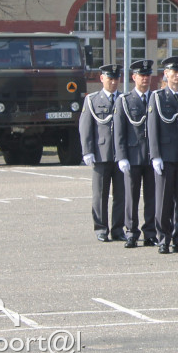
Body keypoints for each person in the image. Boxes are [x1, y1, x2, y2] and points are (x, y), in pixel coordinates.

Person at [148, 56, 178, 254]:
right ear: (165, 74)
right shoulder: (158, 97)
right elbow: (152, 128)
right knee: (164, 199)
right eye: (173, 72)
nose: (177, 75)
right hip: (166, 156)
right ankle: (163, 238)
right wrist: (155, 155)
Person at [79, 64, 125, 242]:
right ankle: (100, 228)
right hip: (100, 153)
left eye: (116, 79)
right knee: (100, 194)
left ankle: (118, 228)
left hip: (120, 155)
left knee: (121, 195)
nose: (113, 82)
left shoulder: (123, 98)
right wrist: (87, 150)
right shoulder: (92, 100)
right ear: (102, 79)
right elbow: (85, 127)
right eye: (110, 78)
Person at [115, 59, 157, 248]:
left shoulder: (155, 98)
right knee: (131, 196)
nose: (145, 79)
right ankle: (131, 231)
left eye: (148, 75)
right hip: (132, 156)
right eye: (142, 75)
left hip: (151, 155)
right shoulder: (125, 100)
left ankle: (150, 232)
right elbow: (119, 130)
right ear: (134, 77)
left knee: (151, 197)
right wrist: (121, 156)